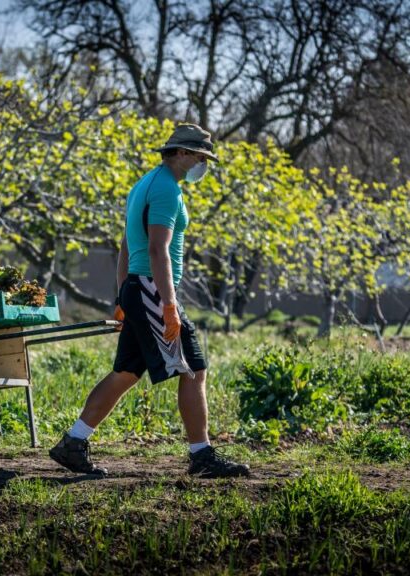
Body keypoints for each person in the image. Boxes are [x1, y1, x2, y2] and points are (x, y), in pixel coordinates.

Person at [49, 123, 251, 479]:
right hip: (152, 290)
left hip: (138, 289)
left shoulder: (144, 183)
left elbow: (126, 245)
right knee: (194, 368)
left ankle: (73, 442)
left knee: (126, 372)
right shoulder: (166, 190)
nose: (203, 164)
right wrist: (169, 305)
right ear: (182, 153)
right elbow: (158, 250)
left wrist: (122, 294)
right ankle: (202, 456)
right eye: (200, 157)